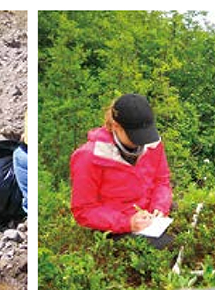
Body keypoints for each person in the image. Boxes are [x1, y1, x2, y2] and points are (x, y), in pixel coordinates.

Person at [69, 94, 174, 249]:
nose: (142, 141)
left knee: (190, 228)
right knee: (168, 246)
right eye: (135, 135)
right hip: (113, 225)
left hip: (149, 215)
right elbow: (83, 210)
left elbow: (162, 181)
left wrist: (160, 206)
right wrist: (128, 223)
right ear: (116, 126)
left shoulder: (153, 143)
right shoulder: (88, 156)